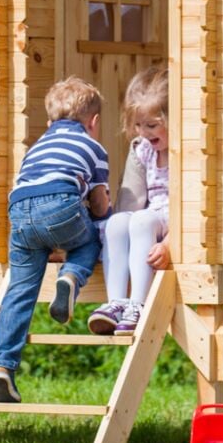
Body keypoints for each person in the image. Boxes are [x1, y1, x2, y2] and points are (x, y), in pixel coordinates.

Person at [0, 76, 110, 403]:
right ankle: (71, 276)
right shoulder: (94, 147)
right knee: (92, 239)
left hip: (20, 212)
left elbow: (35, 194)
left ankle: (2, 366)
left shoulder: (37, 147)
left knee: (20, 289)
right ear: (93, 122)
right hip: (61, 207)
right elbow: (98, 206)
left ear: (49, 121)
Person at [88, 66, 169, 337]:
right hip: (152, 218)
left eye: (152, 125)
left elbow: (193, 208)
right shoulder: (143, 149)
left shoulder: (185, 151)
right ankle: (116, 303)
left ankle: (139, 304)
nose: (144, 132)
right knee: (118, 221)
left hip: (176, 221)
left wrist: (171, 243)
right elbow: (130, 201)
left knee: (143, 219)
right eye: (137, 125)